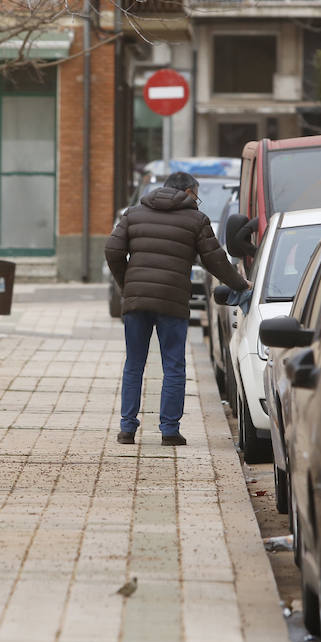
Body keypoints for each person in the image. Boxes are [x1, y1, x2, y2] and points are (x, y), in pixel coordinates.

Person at [104, 171, 249, 446]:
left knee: (134, 364)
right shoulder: (196, 220)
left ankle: (127, 429)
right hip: (172, 301)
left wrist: (128, 284)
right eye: (197, 194)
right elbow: (215, 260)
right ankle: (169, 431)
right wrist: (240, 283)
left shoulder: (134, 214)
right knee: (173, 365)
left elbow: (112, 250)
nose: (197, 200)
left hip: (137, 301)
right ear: (188, 193)